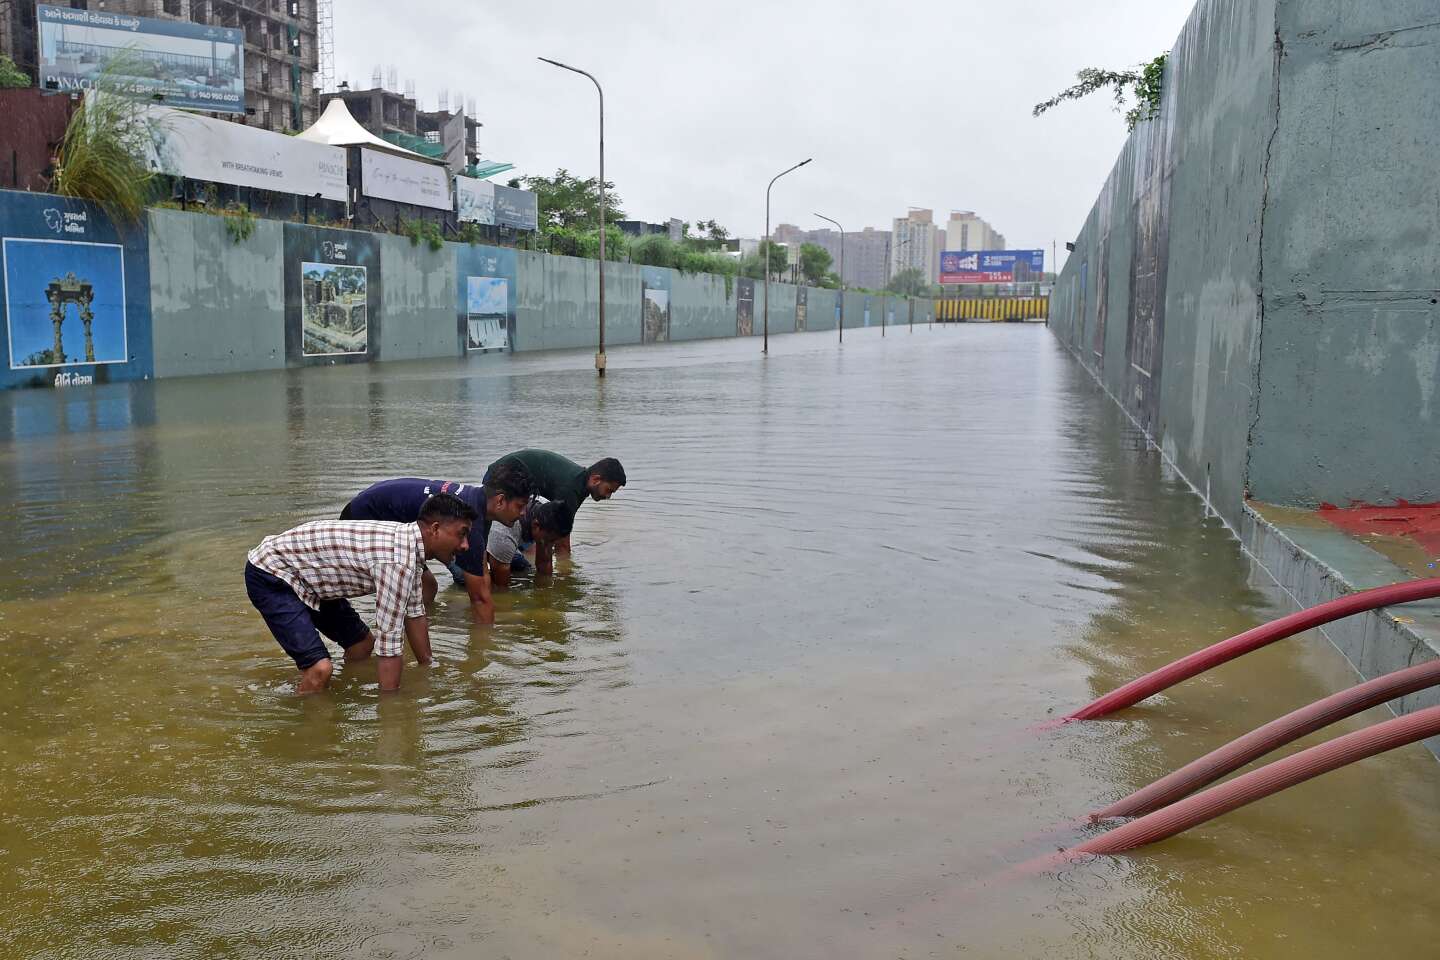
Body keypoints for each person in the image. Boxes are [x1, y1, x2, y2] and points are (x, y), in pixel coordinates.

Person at [244, 492, 475, 693]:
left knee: (362, 646)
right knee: (320, 669)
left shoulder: (410, 550)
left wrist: (429, 669)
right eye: (461, 534)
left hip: (311, 578)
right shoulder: (397, 561)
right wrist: (392, 709)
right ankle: (304, 724)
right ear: (435, 529)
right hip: (273, 572)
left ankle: (344, 691)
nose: (466, 546)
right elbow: (390, 641)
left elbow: (414, 615)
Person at [338, 463, 533, 623]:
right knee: (412, 589)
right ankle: (397, 639)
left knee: (427, 587)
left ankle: (413, 637)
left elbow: (481, 572)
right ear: (500, 501)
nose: (523, 513)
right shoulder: (470, 523)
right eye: (520, 506)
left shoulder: (476, 503)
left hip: (378, 505)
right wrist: (486, 651)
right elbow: (480, 598)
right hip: (366, 519)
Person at [485, 449, 626, 562]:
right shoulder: (571, 490)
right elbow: (562, 546)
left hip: (510, 479)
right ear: (596, 479)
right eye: (608, 490)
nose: (608, 497)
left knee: (531, 555)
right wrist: (567, 576)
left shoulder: (580, 482)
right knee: (490, 540)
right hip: (501, 477)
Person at [487, 499, 575, 590]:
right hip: (480, 541)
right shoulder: (504, 534)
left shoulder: (547, 512)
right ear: (536, 525)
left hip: (502, 543)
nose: (551, 545)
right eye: (550, 540)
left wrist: (545, 596)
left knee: (522, 567)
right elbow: (502, 588)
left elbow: (544, 566)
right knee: (492, 582)